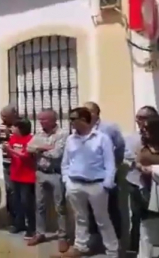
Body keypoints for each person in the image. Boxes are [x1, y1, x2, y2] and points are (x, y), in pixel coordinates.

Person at [60, 107, 118, 258]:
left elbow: (110, 163)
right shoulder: (71, 139)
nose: (71, 122)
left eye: (74, 119)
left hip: (96, 185)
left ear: (84, 120)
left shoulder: (102, 138)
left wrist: (106, 184)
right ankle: (80, 246)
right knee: (80, 217)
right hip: (75, 183)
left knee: (102, 219)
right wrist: (67, 180)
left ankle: (112, 251)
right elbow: (65, 162)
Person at [26, 108, 69, 253]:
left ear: (53, 120)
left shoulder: (62, 134)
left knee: (60, 207)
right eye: (40, 119)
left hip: (55, 173)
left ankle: (63, 236)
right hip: (40, 172)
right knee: (40, 205)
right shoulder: (39, 133)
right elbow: (28, 148)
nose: (41, 122)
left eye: (44, 119)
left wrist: (38, 149)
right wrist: (43, 147)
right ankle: (40, 233)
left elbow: (57, 153)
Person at [83, 101, 125, 243]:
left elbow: (120, 147)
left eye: (87, 111)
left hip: (106, 175)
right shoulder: (82, 129)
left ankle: (116, 242)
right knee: (90, 209)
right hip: (88, 175)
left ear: (95, 113)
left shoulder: (109, 128)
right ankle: (95, 240)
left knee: (111, 208)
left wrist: (113, 167)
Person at [124, 106, 158, 254]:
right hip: (137, 184)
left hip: (155, 187)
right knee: (140, 218)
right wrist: (138, 165)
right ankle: (137, 249)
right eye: (137, 117)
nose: (138, 121)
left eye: (142, 118)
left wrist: (151, 169)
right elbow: (130, 157)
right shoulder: (136, 139)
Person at [4, 118, 36, 239]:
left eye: (15, 127)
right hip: (15, 174)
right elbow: (11, 155)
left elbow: (25, 156)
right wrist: (7, 150)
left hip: (27, 176)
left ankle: (31, 227)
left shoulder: (30, 140)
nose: (12, 129)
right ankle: (19, 224)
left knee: (27, 202)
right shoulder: (13, 139)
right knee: (16, 202)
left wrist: (10, 150)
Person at [134, 116, 159, 258]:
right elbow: (137, 161)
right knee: (146, 229)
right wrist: (140, 167)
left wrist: (152, 169)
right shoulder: (143, 146)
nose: (144, 131)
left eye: (148, 129)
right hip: (146, 192)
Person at [0, 104, 18, 230]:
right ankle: (11, 219)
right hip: (6, 162)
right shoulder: (2, 126)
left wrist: (10, 134)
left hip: (18, 163)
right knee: (9, 191)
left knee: (18, 192)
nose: (3, 120)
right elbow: (0, 141)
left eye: (5, 117)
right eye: (2, 117)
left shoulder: (19, 125)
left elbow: (21, 140)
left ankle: (20, 220)